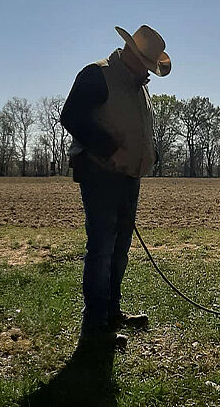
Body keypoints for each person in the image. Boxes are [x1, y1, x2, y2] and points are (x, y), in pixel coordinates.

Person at [60, 25, 171, 348]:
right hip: (100, 175)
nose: (148, 73)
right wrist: (110, 148)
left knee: (119, 250)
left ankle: (111, 313)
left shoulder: (138, 85)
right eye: (145, 66)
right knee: (101, 251)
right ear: (130, 56)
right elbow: (71, 117)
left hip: (127, 177)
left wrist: (148, 152)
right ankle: (95, 327)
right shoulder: (97, 75)